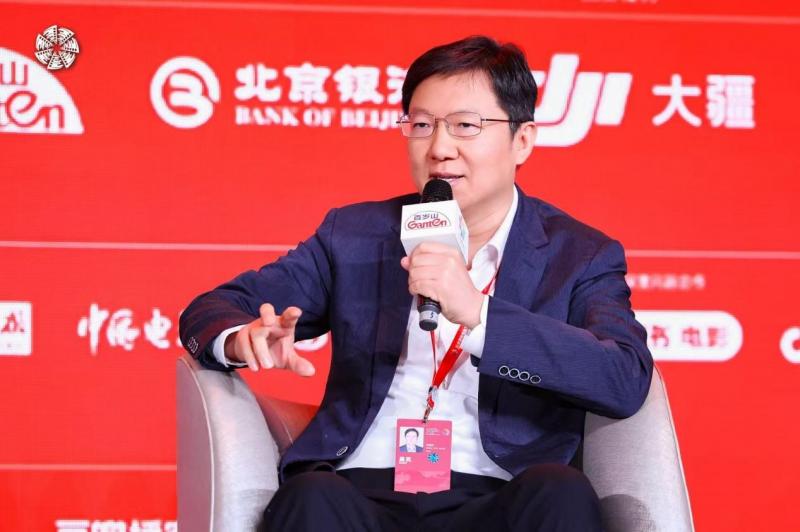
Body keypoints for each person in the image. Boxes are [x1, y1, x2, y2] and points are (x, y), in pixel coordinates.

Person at [179, 35, 653, 532]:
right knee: (311, 496)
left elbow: (623, 377)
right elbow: (213, 309)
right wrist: (240, 339)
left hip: (502, 494)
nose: (439, 149)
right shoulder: (356, 236)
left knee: (561, 493)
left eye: (466, 126)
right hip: (362, 489)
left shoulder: (579, 254)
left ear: (523, 140)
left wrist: (481, 316)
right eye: (422, 125)